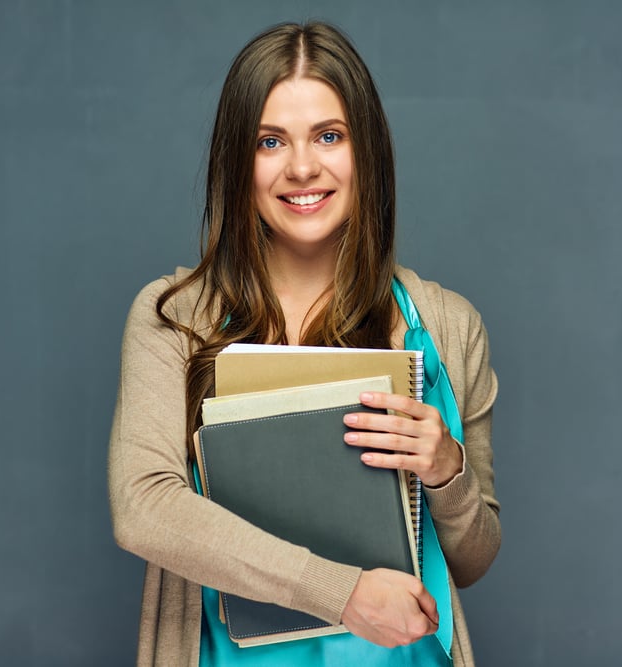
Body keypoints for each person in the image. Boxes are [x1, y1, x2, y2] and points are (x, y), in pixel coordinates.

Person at [108, 21, 500, 666]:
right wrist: (343, 593)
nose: (302, 167)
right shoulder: (174, 319)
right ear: (238, 160)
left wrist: (446, 468)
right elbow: (144, 507)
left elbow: (475, 557)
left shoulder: (447, 325)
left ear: (365, 150)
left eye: (329, 136)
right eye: (270, 141)